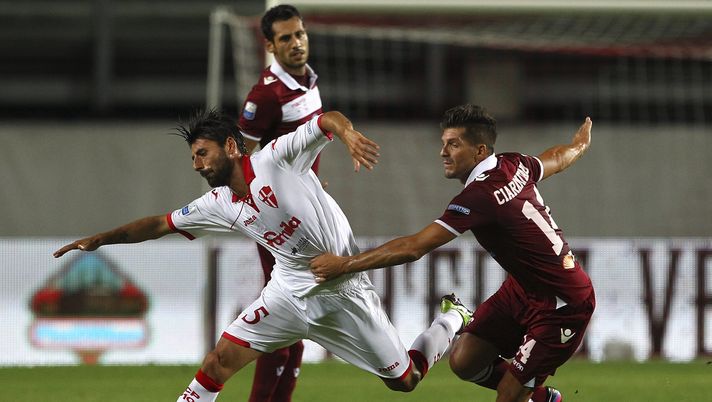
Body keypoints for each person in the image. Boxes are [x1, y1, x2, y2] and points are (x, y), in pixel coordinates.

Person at [53, 109, 473, 402]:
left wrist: (346, 134)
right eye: (193, 157)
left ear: (232, 147)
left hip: (343, 290)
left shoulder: (276, 158)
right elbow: (159, 224)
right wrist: (99, 239)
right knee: (218, 361)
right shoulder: (217, 203)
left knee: (405, 381)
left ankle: (452, 318)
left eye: (203, 153)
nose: (197, 164)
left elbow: (325, 121)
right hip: (287, 295)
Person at [310, 104, 595, 402]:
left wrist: (344, 265)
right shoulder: (514, 164)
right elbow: (556, 159)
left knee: (509, 396)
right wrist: (579, 145)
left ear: (479, 151)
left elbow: (413, 247)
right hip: (524, 289)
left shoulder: (478, 196)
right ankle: (540, 398)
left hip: (562, 303)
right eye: (443, 144)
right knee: (464, 361)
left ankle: (528, 393)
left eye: (454, 144)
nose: (443, 152)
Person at [238, 5, 322, 400]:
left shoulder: (308, 82)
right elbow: (240, 163)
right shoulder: (266, 95)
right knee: (282, 324)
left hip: (306, 218)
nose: (296, 43)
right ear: (269, 45)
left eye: (299, 34)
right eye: (286, 38)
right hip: (279, 223)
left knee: (296, 328)